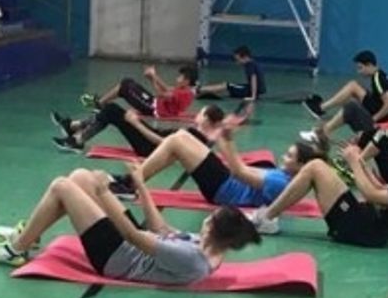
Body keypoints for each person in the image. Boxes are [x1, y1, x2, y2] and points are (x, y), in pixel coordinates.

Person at [0, 168, 259, 284]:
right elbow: (160, 229)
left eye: (210, 219)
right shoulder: (210, 246)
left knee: (62, 186)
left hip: (116, 257)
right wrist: (141, 184)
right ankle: (32, 233)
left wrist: (103, 191)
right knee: (81, 177)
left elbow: (132, 235)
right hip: (131, 244)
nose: (206, 219)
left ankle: (16, 249)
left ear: (214, 231)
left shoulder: (192, 259)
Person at [248, 140, 388, 247]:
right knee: (317, 167)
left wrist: (354, 162)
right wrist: (363, 165)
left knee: (315, 167)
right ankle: (268, 216)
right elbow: (384, 191)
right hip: (362, 221)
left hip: (357, 229)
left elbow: (372, 195)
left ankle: (267, 218)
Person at [108, 127, 322, 209]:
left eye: (290, 156)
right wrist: (224, 141)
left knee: (177, 141)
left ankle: (131, 184)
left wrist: (224, 140)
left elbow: (239, 172)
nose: (284, 157)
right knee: (179, 139)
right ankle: (131, 181)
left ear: (301, 166)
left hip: (222, 189)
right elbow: (243, 169)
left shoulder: (280, 183)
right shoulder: (284, 176)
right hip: (225, 181)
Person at [53, 65, 200, 152]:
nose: (177, 79)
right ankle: (75, 129)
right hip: (153, 124)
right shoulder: (185, 91)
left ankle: (79, 127)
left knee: (121, 93)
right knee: (113, 105)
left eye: (180, 77)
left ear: (187, 81)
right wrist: (153, 77)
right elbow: (167, 90)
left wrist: (153, 77)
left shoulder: (186, 94)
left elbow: (162, 94)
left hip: (154, 115)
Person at [52, 104, 227, 156]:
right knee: (112, 111)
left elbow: (163, 143)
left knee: (112, 110)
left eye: (201, 113)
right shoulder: (201, 136)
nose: (197, 114)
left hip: (149, 147)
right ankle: (74, 130)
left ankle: (76, 137)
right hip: (151, 139)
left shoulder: (196, 135)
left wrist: (136, 124)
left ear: (206, 120)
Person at [302, 51, 388, 132]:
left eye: (360, 68)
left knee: (352, 88)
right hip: (379, 107)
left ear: (369, 65)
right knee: (354, 86)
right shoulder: (380, 74)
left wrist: (373, 119)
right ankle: (322, 108)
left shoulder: (378, 80)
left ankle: (321, 109)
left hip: (383, 118)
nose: (358, 72)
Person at [303, 85, 388, 148]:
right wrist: (377, 125)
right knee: (351, 108)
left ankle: (322, 133)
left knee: (352, 107)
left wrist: (366, 134)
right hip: (378, 132)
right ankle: (323, 132)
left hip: (383, 142)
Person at [196, 45, 266, 120]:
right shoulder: (252, 63)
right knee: (229, 86)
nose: (237, 62)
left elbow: (253, 79)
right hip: (250, 89)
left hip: (250, 90)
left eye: (238, 59)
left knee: (227, 85)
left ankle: (199, 89)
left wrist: (253, 96)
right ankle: (203, 90)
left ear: (245, 57)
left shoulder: (250, 65)